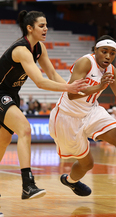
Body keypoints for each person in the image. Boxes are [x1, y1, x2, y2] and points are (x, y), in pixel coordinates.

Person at [49, 35, 116, 209]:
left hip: (91, 111)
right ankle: (70, 180)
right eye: (104, 52)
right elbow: (72, 93)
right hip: (67, 116)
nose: (108, 56)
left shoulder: (111, 70)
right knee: (87, 164)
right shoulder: (85, 63)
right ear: (95, 51)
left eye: (112, 53)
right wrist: (99, 87)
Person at [0, 10, 87, 202]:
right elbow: (39, 82)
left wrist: (71, 90)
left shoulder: (39, 48)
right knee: (25, 129)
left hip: (11, 94)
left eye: (46, 25)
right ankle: (28, 185)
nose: (46, 28)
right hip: (0, 94)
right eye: (41, 26)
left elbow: (53, 76)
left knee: (3, 143)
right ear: (29, 28)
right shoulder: (21, 49)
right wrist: (68, 86)